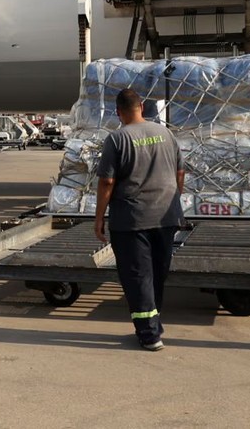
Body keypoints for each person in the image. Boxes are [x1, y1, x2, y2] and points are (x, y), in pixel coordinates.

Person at [94, 88, 185, 351]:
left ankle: (149, 334)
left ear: (118, 112)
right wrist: (174, 200)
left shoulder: (117, 138)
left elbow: (107, 181)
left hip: (132, 219)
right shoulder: (166, 133)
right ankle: (154, 325)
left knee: (137, 277)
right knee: (157, 273)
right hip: (166, 216)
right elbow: (181, 172)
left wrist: (99, 217)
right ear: (142, 107)